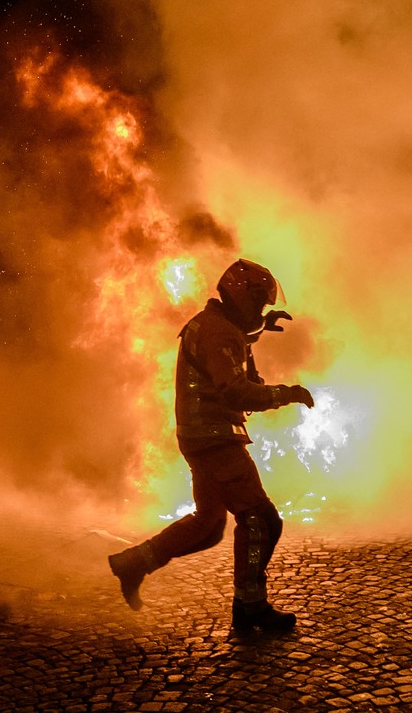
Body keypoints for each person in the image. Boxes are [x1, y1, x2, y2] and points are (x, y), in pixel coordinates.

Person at [108, 259, 315, 633]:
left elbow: (228, 348)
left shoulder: (217, 326)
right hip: (215, 439)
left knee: (208, 526)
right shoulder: (220, 332)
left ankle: (133, 563)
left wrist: (259, 331)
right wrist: (287, 393)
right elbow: (235, 390)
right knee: (260, 520)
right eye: (258, 302)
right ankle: (250, 606)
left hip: (201, 436)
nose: (260, 310)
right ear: (240, 296)